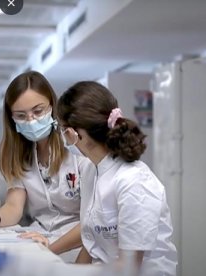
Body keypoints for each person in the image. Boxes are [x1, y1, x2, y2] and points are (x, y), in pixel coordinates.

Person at [0, 71, 95, 263]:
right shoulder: (20, 153)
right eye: (21, 115)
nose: (31, 120)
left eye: (38, 111)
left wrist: (49, 248)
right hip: (39, 237)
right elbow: (14, 206)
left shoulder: (77, 148)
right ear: (12, 119)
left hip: (77, 245)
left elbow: (93, 221)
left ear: (52, 105)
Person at [54, 81, 177, 274]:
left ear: (72, 134)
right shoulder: (90, 170)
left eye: (62, 129)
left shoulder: (134, 182)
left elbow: (129, 267)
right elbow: (91, 241)